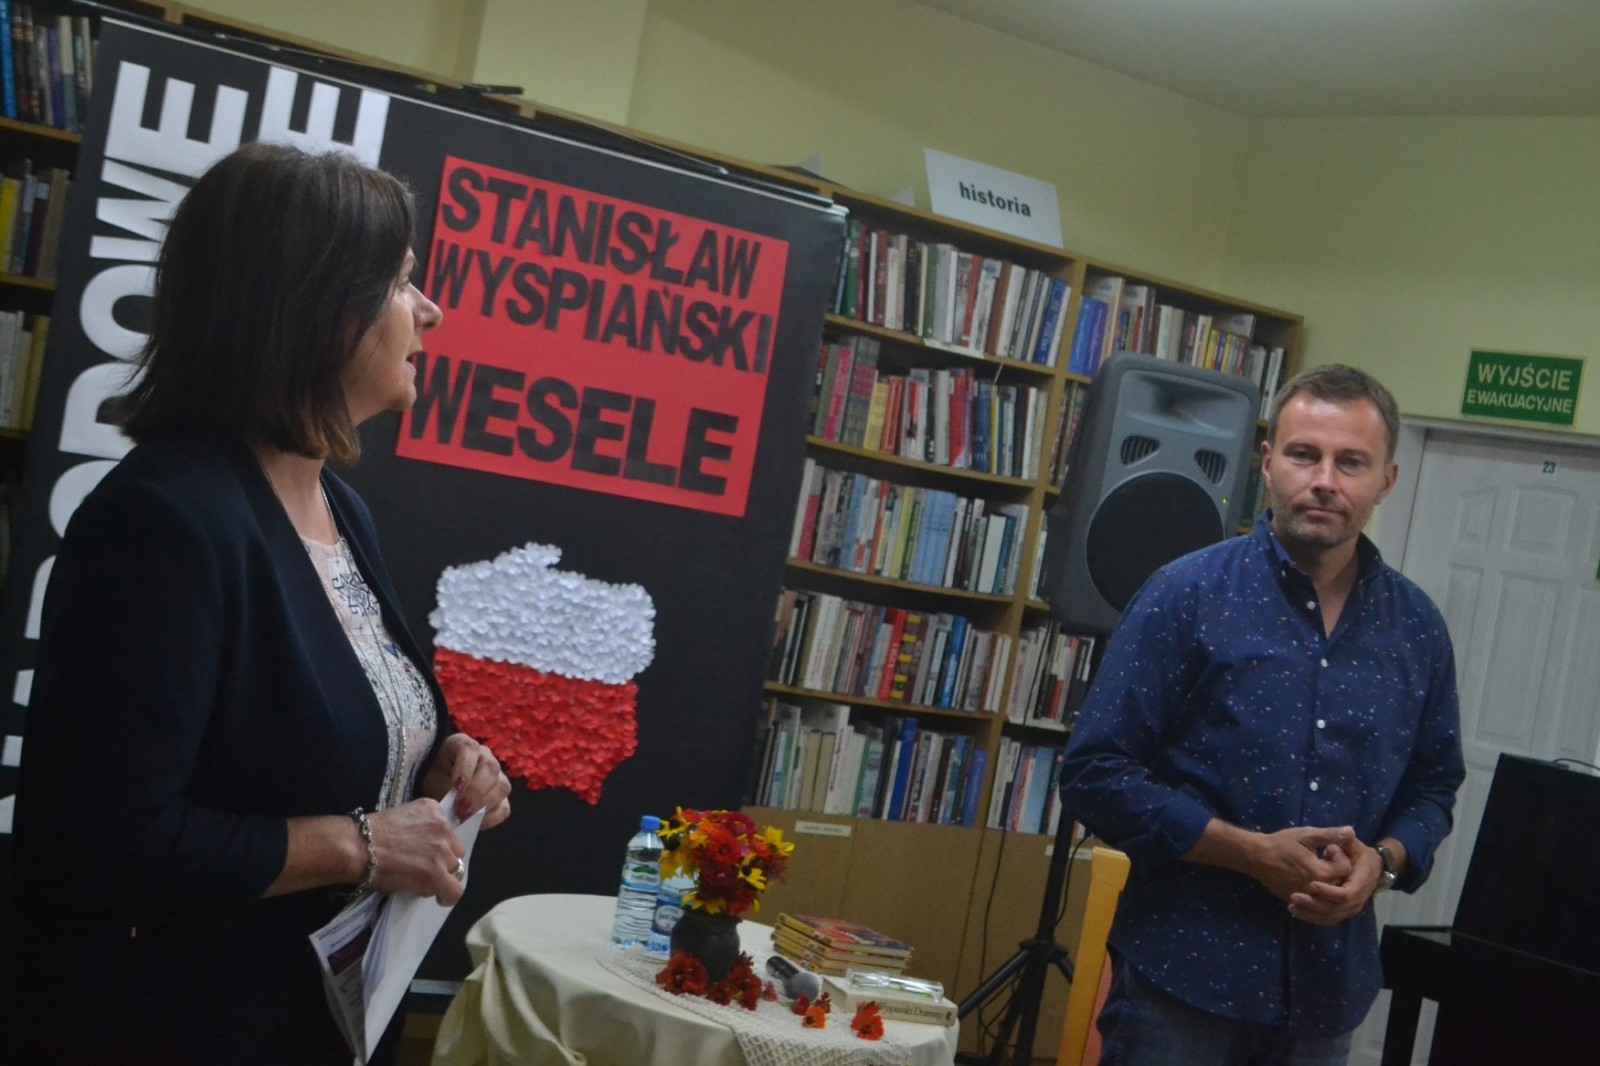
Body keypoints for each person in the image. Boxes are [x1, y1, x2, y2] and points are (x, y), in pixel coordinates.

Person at [10, 142, 513, 1064]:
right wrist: (365, 845)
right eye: (402, 281)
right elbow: (100, 841)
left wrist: (438, 764)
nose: (430, 311)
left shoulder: (340, 507)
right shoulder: (163, 521)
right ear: (317, 307)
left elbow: (314, 732)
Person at [1059, 364, 1465, 1065]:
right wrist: (1248, 853)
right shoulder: (1185, 595)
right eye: (1305, 454)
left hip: (1327, 993)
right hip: (1183, 978)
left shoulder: (1417, 627)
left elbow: (1433, 787)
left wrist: (1383, 864)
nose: (1325, 480)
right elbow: (1095, 772)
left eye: (1351, 462)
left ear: (1386, 481)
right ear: (1268, 461)